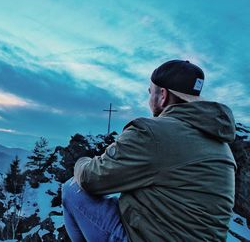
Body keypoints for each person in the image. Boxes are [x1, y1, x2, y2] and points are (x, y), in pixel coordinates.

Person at [62, 60, 236, 242]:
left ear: (163, 95)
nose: (148, 98)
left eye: (150, 91)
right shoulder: (221, 144)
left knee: (72, 189)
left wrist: (81, 162)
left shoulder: (151, 132)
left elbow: (92, 178)